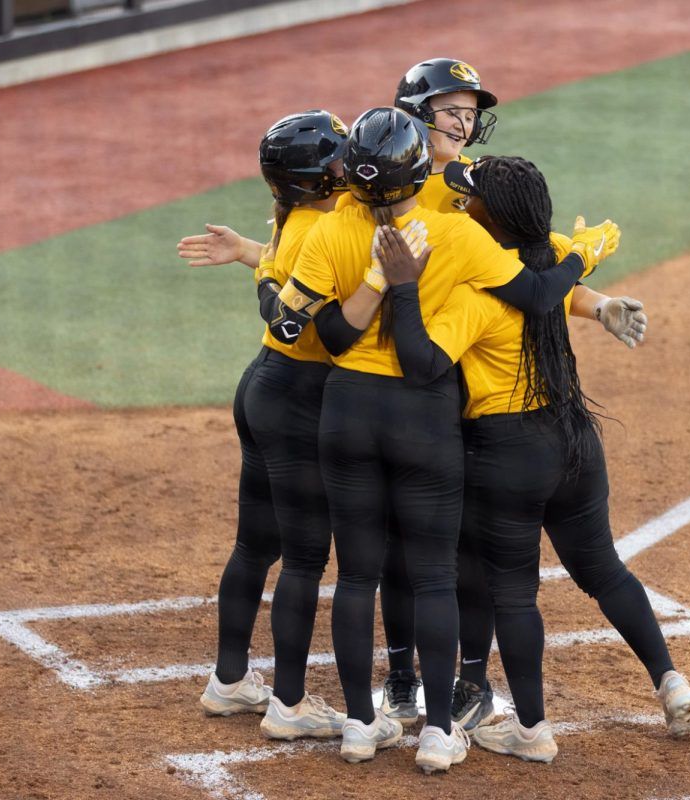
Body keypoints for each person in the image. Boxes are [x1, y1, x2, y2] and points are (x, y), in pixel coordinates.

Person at [267, 107, 618, 773]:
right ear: (420, 172)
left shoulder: (327, 231)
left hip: (344, 414)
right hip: (423, 418)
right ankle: (436, 733)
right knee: (433, 575)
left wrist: (368, 285)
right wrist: (583, 253)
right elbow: (540, 293)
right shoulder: (455, 232)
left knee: (357, 575)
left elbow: (301, 333)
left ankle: (360, 726)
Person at [373, 155, 690, 764]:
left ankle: (532, 730)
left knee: (515, 595)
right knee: (605, 570)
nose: (462, 205)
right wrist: (594, 288)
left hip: (508, 453)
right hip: (576, 438)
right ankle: (670, 680)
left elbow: (421, 363)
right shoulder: (548, 256)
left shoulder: (477, 293)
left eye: (472, 201)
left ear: (492, 220)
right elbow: (562, 275)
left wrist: (403, 291)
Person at [195, 109, 385, 742]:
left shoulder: (292, 219)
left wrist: (252, 255)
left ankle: (228, 682)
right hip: (300, 400)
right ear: (318, 178)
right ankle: (290, 703)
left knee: (256, 544)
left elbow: (280, 290)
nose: (347, 166)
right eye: (336, 161)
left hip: (262, 389)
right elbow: (302, 315)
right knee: (305, 557)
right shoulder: (326, 228)